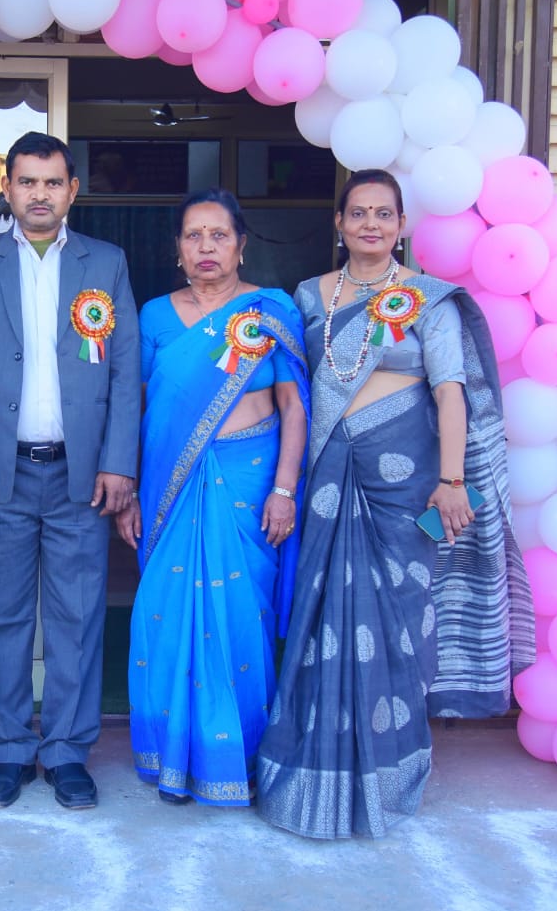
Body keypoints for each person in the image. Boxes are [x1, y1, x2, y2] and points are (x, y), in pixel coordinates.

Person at [256, 168, 533, 839]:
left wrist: (452, 480)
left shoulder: (429, 300)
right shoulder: (309, 295)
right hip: (330, 477)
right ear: (339, 223)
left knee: (402, 619)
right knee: (320, 616)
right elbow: (294, 389)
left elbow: (450, 391)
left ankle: (391, 769)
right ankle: (313, 766)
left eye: (384, 214)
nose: (371, 225)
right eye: (358, 213)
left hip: (407, 485)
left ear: (402, 225)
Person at [0, 131, 139, 811]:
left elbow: (125, 372)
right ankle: (10, 749)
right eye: (27, 181)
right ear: (8, 187)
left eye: (53, 182)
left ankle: (68, 751)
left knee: (78, 615)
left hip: (81, 475)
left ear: (72, 190)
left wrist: (118, 461)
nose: (40, 194)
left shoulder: (105, 263)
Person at [116, 189, 309, 807]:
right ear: (177, 248)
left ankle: (237, 758)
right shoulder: (153, 316)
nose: (206, 247)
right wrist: (130, 491)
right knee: (163, 614)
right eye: (193, 235)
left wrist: (285, 489)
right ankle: (172, 757)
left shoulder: (269, 310)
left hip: (250, 483)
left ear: (241, 245)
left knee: (240, 618)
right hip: (169, 487)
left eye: (219, 235)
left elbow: (294, 407)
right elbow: (137, 407)